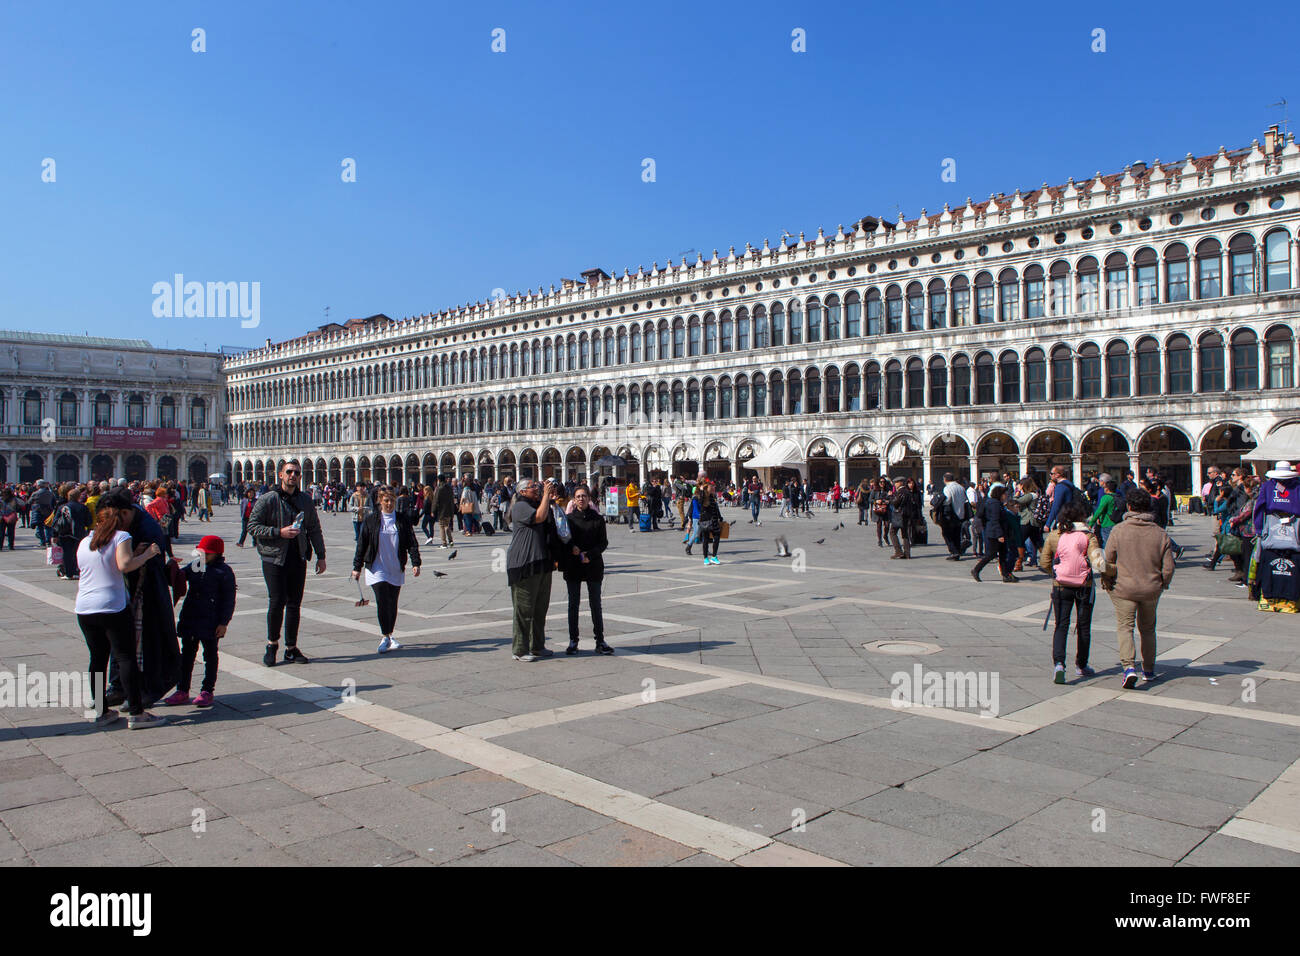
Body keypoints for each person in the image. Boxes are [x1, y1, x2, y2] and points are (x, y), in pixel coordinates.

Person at [75, 500, 165, 729]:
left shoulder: (85, 542)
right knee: (126, 658)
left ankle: (100, 710)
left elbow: (100, 566)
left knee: (97, 659)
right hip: (112, 607)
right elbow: (124, 565)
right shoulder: (121, 537)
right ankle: (137, 713)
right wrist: (147, 555)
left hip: (84, 608)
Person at [92, 487, 181, 710]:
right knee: (122, 651)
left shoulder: (94, 539)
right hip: (113, 601)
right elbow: (124, 565)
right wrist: (140, 555)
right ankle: (128, 699)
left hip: (112, 601)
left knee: (117, 651)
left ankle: (110, 701)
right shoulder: (120, 532)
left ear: (123, 513)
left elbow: (122, 565)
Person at [248, 460, 326, 667]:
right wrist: (278, 532)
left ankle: (291, 648)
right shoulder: (267, 499)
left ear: (300, 477)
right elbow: (253, 526)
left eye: (296, 473)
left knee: (294, 604)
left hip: (298, 557)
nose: (293, 475)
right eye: (289, 472)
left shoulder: (305, 501)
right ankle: (272, 645)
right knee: (276, 602)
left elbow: (314, 529)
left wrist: (321, 555)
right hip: (274, 558)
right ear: (280, 475)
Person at [1101, 489, 1175, 688]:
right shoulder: (1160, 533)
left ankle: (1129, 667)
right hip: (1151, 589)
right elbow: (1168, 566)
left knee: (1125, 627)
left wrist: (1108, 581)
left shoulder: (1118, 530)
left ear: (1129, 506)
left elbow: (1108, 560)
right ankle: (1149, 669)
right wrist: (1163, 583)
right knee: (1148, 629)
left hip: (1124, 588)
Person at [163, 535, 236, 708]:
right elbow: (179, 578)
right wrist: (170, 567)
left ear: (217, 554)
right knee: (187, 656)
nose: (203, 556)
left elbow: (228, 600)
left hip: (211, 621)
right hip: (190, 618)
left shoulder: (224, 571)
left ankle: (207, 690)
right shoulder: (196, 565)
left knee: (210, 655)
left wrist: (224, 623)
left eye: (207, 553)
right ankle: (182, 689)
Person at [1039, 501, 1105, 683]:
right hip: (1085, 585)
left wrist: (1055, 572)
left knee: (1061, 624)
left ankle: (1059, 664)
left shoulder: (1054, 536)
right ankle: (1081, 665)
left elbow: (1044, 563)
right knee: (1083, 626)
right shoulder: (1089, 536)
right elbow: (1098, 563)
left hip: (1061, 586)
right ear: (1081, 518)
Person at [352, 485, 422, 653]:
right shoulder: (371, 520)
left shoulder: (402, 519)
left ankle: (390, 635)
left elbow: (411, 542)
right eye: (386, 501)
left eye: (391, 500)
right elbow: (362, 544)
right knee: (382, 601)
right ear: (379, 501)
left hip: (395, 566)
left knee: (392, 602)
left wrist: (416, 562)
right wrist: (357, 567)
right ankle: (385, 635)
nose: (389, 504)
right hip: (376, 567)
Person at [507, 478, 557, 661]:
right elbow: (539, 517)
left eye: (537, 486)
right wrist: (545, 495)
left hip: (541, 562)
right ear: (522, 492)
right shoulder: (520, 506)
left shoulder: (537, 503)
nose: (536, 488)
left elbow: (549, 519)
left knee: (539, 609)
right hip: (524, 564)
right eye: (532, 487)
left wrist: (549, 498)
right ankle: (519, 649)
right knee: (524, 609)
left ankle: (537, 645)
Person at [561, 485, 612, 654]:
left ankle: (600, 640)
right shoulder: (568, 519)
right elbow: (563, 539)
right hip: (573, 565)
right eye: (578, 496)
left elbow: (603, 542)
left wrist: (591, 554)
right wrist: (572, 548)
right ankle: (573, 640)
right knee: (573, 604)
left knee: (595, 603)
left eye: (584, 496)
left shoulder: (597, 519)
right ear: (573, 500)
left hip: (593, 564)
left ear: (589, 498)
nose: (581, 499)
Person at [1252, 461, 1300, 613]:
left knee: (1267, 561)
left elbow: (1259, 508)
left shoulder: (1268, 486)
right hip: (1295, 528)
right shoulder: (1297, 486)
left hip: (1271, 528)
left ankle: (1270, 595)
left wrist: (1259, 530)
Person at [971, 485, 1016, 583]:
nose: (1006, 496)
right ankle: (976, 570)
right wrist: (999, 535)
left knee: (1003, 554)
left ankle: (1005, 575)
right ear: (1000, 494)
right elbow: (994, 520)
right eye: (1005, 494)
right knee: (991, 554)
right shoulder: (994, 504)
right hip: (994, 533)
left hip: (997, 532)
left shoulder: (996, 503)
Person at [688, 477, 724, 564]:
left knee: (717, 537)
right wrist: (701, 489)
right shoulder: (701, 497)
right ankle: (705, 558)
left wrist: (720, 517)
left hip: (714, 520)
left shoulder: (712, 496)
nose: (712, 488)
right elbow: (700, 501)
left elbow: (715, 507)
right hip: (705, 520)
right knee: (706, 539)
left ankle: (714, 556)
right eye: (710, 487)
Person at [939, 472, 968, 560]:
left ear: (945, 479)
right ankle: (958, 551)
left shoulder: (948, 488)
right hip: (961, 514)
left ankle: (954, 551)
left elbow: (947, 501)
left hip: (951, 515)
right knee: (957, 534)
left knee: (947, 534)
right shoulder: (961, 487)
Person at [888, 478, 914, 560]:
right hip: (906, 515)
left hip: (899, 515)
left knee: (892, 532)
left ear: (900, 483)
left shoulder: (901, 492)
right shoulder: (908, 491)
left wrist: (890, 496)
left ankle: (898, 551)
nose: (895, 484)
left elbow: (895, 503)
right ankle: (907, 553)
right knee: (905, 534)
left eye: (896, 483)